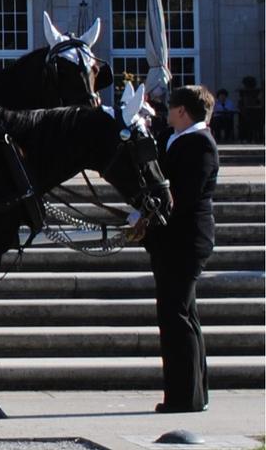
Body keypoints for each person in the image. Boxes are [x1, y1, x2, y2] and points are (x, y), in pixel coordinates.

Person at [138, 83, 219, 414]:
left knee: (176, 317)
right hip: (176, 239)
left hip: (184, 240)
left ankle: (183, 396)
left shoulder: (199, 143)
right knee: (185, 314)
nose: (167, 111)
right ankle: (195, 393)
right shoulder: (179, 139)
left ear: (183, 111)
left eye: (172, 107)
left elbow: (182, 197)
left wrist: (146, 216)